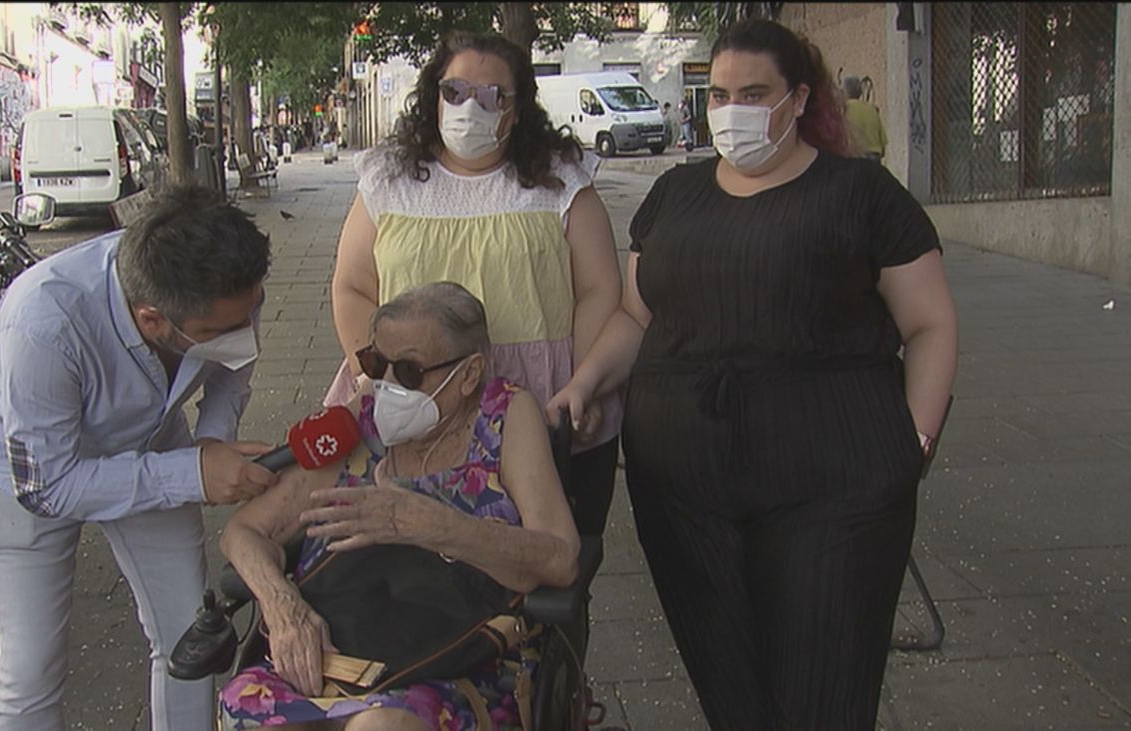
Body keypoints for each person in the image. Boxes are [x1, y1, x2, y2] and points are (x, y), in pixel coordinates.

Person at [548, 18, 958, 730]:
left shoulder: (862, 194)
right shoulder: (675, 196)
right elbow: (636, 319)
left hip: (837, 489)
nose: (732, 110)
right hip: (684, 494)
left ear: (798, 99)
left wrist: (913, 445)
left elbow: (931, 326)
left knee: (822, 694)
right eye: (721, 94)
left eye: (754, 93)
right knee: (732, 694)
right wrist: (586, 383)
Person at [0, 185, 280, 731]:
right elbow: (51, 487)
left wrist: (211, 438)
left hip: (150, 435)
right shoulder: (42, 320)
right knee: (30, 663)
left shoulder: (229, 291)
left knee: (190, 636)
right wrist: (190, 474)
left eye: (246, 316)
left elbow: (234, 370)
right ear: (153, 319)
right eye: (216, 333)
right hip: (29, 465)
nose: (240, 334)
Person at [220, 282, 580, 729]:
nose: (385, 384)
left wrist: (431, 525)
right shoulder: (357, 421)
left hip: (454, 663)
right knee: (252, 709)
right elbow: (243, 532)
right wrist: (282, 606)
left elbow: (561, 558)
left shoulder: (505, 415)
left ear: (469, 374)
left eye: (408, 371)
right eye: (375, 362)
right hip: (332, 657)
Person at [327, 31, 623, 537]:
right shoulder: (388, 179)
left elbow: (599, 289)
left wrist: (583, 385)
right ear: (434, 94)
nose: (471, 107)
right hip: (411, 399)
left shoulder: (561, 180)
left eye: (491, 97)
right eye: (455, 92)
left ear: (516, 108)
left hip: (543, 397)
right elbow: (353, 287)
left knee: (544, 563)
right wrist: (380, 376)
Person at [843, 75, 887, 162]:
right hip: (874, 159)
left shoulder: (844, 110)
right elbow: (883, 146)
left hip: (854, 158)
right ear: (860, 92)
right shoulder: (872, 110)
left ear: (845, 92)